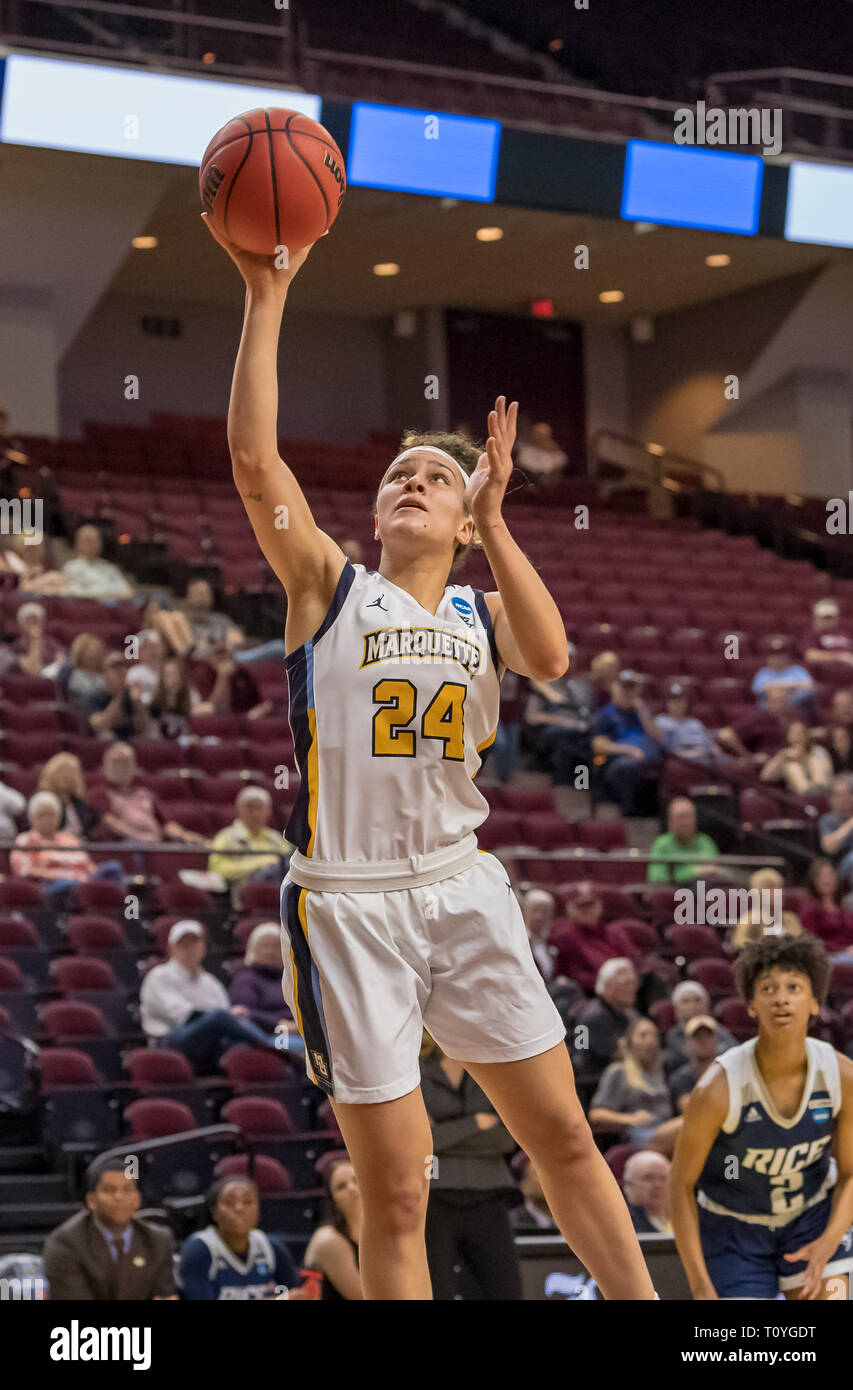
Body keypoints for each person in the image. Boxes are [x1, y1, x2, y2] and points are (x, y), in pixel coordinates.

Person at [204, 210, 656, 1301]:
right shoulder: (328, 587)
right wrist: (266, 294)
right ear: (371, 513)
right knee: (398, 1187)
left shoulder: (475, 603)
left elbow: (549, 656)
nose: (413, 479)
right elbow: (253, 458)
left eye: (436, 477)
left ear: (460, 519)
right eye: (398, 473)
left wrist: (497, 523)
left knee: (558, 1139)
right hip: (347, 901)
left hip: (459, 886)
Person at [671, 934, 853, 1300]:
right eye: (768, 988)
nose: (781, 998)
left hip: (811, 1218)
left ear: (813, 1002)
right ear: (751, 1005)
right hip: (733, 1228)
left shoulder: (845, 1076)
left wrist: (829, 1241)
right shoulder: (717, 1087)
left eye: (793, 987)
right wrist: (700, 1286)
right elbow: (679, 1185)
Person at [420, 1032, 522, 1301]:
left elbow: (506, 1138)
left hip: (490, 1195)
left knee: (507, 1290)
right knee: (437, 1291)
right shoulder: (413, 1069)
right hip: (434, 1198)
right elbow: (422, 1140)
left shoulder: (491, 1067)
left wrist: (445, 1132)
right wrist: (477, 1124)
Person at [140, 920, 291, 1070]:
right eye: (183, 943)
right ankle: (274, 1046)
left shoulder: (210, 981)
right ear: (171, 948)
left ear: (203, 948)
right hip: (170, 1041)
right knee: (219, 1017)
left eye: (194, 942)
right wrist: (217, 1018)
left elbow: (228, 1018)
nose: (189, 948)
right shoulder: (159, 976)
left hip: (210, 1043)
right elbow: (184, 1015)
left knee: (241, 1047)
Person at [43, 1157, 175, 1300]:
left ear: (137, 1199)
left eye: (127, 1189)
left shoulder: (158, 1240)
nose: (119, 1197)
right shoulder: (65, 1243)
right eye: (109, 1190)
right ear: (91, 1201)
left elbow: (165, 1295)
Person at [177, 1175, 306, 1300]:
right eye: (229, 1202)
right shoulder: (199, 1249)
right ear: (214, 1212)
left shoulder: (271, 1247)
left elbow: (293, 1293)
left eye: (248, 1202)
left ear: (258, 1209)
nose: (239, 1208)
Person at [588, 1017, 679, 1152]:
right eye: (643, 1035)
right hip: (640, 1134)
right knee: (687, 1125)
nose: (650, 1041)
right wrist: (629, 1118)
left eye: (654, 1036)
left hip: (666, 1128)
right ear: (629, 1041)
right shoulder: (618, 1071)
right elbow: (596, 1114)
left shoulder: (660, 1073)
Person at [10, 792, 121, 899]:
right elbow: (23, 871)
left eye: (51, 814)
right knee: (68, 884)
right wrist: (58, 874)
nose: (47, 819)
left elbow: (88, 865)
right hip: (52, 885)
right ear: (32, 817)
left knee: (113, 867)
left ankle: (122, 912)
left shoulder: (69, 838)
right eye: (42, 815)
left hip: (82, 880)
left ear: (58, 817)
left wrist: (87, 876)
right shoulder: (25, 839)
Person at [94, 741, 205, 846]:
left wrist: (184, 835)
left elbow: (165, 824)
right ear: (105, 766)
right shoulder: (100, 794)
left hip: (153, 846)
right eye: (116, 762)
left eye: (126, 763)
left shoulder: (145, 793)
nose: (120, 768)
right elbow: (111, 824)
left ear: (134, 766)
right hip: (126, 848)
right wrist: (143, 839)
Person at [523, 642, 596, 786]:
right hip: (551, 733)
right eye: (565, 658)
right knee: (564, 742)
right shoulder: (543, 686)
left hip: (579, 733)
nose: (568, 663)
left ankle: (580, 787)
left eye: (571, 659)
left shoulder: (582, 687)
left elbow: (589, 714)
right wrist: (564, 722)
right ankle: (564, 785)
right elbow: (532, 717)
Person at [592, 671, 661, 816]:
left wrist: (641, 711)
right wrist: (628, 750)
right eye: (625, 687)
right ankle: (629, 815)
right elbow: (598, 744)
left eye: (632, 687)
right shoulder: (608, 712)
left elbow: (658, 737)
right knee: (627, 766)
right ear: (618, 688)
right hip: (619, 762)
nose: (628, 691)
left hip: (650, 761)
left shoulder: (643, 711)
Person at [549, 881, 639, 992]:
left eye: (591, 905)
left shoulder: (616, 933)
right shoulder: (563, 938)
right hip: (589, 996)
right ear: (569, 908)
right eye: (581, 906)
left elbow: (633, 962)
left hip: (625, 989)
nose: (587, 910)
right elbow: (573, 976)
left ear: (600, 905)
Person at [229, 922, 305, 1054]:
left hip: (299, 1031)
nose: (270, 951)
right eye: (265, 946)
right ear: (253, 949)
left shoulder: (290, 979)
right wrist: (279, 1023)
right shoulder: (245, 979)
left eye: (276, 946)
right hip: (268, 1036)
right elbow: (243, 1014)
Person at [208, 787, 290, 906]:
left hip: (279, 893)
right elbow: (216, 869)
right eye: (250, 807)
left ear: (268, 811)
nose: (255, 813)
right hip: (245, 895)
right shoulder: (226, 837)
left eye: (260, 808)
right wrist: (256, 865)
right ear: (239, 810)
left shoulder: (275, 838)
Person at [303, 1153, 363, 1301]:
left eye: (356, 1181)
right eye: (341, 1186)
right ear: (333, 1200)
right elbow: (363, 1296)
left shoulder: (377, 1232)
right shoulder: (328, 1240)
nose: (352, 1189)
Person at [573, 957, 640, 1076]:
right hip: (594, 1081)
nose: (632, 988)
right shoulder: (593, 1017)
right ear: (607, 986)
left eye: (633, 983)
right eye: (626, 984)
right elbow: (618, 1054)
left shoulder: (628, 1013)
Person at [800, 859, 853, 964]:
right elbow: (812, 940)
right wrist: (844, 949)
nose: (827, 879)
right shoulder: (810, 909)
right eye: (822, 875)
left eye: (830, 874)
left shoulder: (845, 906)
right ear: (814, 881)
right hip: (830, 957)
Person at [664, 982, 738, 1075]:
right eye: (686, 1001)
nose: (693, 1005)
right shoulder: (674, 1035)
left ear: (707, 1005)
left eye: (697, 1000)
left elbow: (734, 1051)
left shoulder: (719, 1029)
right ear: (676, 1009)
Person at [650, 681, 728, 764]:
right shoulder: (661, 721)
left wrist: (718, 756)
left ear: (686, 702)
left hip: (706, 758)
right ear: (667, 703)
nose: (677, 704)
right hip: (682, 761)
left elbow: (711, 745)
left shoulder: (695, 722)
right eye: (673, 700)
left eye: (680, 700)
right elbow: (664, 747)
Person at [647, 797, 721, 884]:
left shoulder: (705, 842)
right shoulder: (661, 843)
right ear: (670, 822)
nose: (684, 823)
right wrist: (694, 871)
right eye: (680, 817)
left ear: (695, 819)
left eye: (687, 817)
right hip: (673, 895)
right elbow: (657, 878)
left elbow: (714, 872)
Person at [730, 867, 803, 950]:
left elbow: (800, 942)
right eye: (771, 889)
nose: (778, 893)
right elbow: (738, 942)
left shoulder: (791, 918)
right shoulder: (750, 919)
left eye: (779, 888)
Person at [759, 720, 833, 797]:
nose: (798, 735)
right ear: (788, 736)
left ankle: (819, 789)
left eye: (801, 732)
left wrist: (805, 757)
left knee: (816, 760)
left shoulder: (817, 750)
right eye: (794, 732)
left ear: (807, 735)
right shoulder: (784, 756)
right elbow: (765, 777)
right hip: (800, 796)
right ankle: (807, 792)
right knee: (792, 766)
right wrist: (783, 756)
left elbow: (828, 770)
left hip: (823, 789)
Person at [669, 1016, 727, 1113]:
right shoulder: (681, 1078)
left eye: (708, 1036)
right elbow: (690, 1109)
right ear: (687, 1043)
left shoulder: (728, 1071)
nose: (703, 1041)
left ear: (717, 1040)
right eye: (697, 1037)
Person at [88, 652, 151, 741]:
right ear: (105, 673)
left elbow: (146, 725)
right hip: (110, 743)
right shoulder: (96, 696)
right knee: (107, 736)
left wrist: (137, 701)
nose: (120, 672)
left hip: (130, 739)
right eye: (114, 669)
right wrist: (120, 695)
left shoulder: (130, 695)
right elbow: (102, 726)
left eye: (122, 668)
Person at [61, 524, 132, 599]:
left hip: (115, 608)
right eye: (87, 540)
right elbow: (73, 594)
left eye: (95, 540)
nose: (91, 544)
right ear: (78, 543)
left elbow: (129, 593)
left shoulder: (109, 567)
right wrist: (106, 596)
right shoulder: (71, 567)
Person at [38, 752, 99, 839]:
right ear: (51, 774)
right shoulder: (44, 802)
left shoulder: (80, 803)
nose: (66, 776)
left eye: (71, 772)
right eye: (61, 771)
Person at [819, 775, 853, 883]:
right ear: (831, 799)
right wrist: (851, 824)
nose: (843, 799)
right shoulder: (827, 820)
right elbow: (828, 847)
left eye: (847, 794)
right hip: (843, 863)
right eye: (839, 795)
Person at [182, 578, 242, 658]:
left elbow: (237, 639)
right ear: (188, 597)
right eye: (197, 592)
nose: (202, 596)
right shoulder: (181, 621)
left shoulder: (222, 620)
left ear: (212, 597)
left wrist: (224, 647)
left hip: (222, 659)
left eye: (206, 592)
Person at [751, 636, 815, 711]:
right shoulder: (763, 673)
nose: (778, 659)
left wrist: (777, 688)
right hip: (770, 707)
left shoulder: (797, 670)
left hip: (795, 705)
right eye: (774, 656)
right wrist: (790, 686)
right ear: (768, 658)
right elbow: (758, 689)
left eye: (781, 655)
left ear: (787, 656)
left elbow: (809, 686)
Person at [802, 598, 853, 670]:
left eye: (830, 617)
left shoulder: (844, 633)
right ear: (817, 617)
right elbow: (810, 655)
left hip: (847, 672)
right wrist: (838, 657)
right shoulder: (812, 634)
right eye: (825, 617)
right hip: (824, 672)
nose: (828, 620)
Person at [622, 1151, 673, 1234]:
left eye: (664, 1178)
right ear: (628, 1185)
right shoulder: (622, 1222)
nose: (658, 1185)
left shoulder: (686, 1218)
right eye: (648, 1178)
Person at [14, 600, 64, 677]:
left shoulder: (52, 643)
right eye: (29, 620)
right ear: (21, 624)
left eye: (36, 620)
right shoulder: (16, 646)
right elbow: (32, 670)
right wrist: (35, 639)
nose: (33, 624)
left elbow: (61, 662)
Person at [511, 1155, 557, 1231]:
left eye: (550, 1175)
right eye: (537, 1175)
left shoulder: (573, 1217)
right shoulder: (513, 1222)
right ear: (522, 1183)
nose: (545, 1181)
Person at [64, 633, 107, 709]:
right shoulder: (75, 674)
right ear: (80, 654)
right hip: (83, 710)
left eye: (95, 651)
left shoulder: (104, 675)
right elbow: (87, 694)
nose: (92, 655)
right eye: (88, 652)